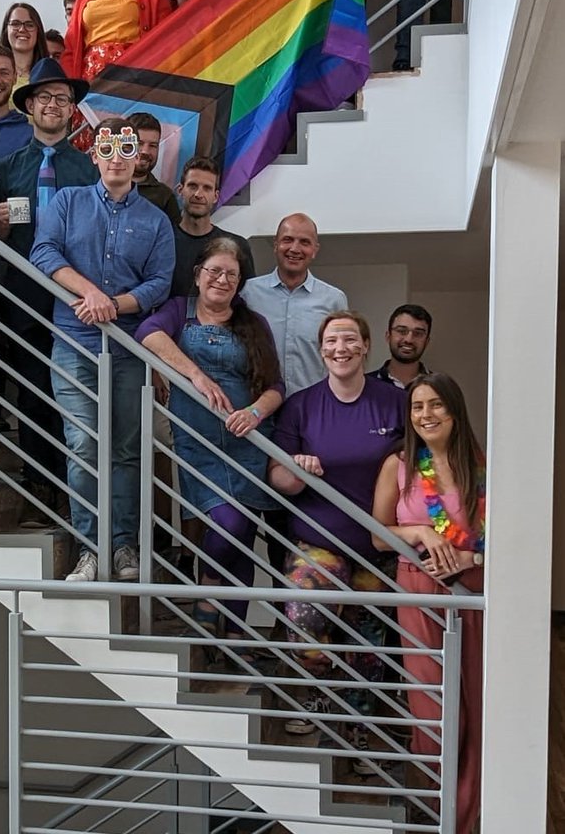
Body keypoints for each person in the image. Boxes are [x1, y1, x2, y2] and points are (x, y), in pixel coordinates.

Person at [30, 120, 174, 583]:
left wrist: (114, 306)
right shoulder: (68, 202)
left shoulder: (156, 221)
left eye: (125, 149)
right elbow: (45, 252)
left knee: (128, 449)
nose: (116, 157)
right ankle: (91, 550)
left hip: (130, 348)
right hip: (74, 342)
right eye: (107, 148)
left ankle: (124, 547)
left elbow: (159, 284)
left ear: (138, 159)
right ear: (94, 155)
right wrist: (91, 294)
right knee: (83, 445)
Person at [268, 311, 406, 764]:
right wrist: (296, 470)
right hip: (320, 541)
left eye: (349, 340)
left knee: (368, 640)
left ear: (366, 347)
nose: (340, 348)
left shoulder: (393, 402)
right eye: (331, 341)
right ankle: (317, 695)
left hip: (380, 546)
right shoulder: (301, 405)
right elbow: (277, 479)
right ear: (321, 349)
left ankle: (359, 727)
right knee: (305, 617)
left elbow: (420, 466)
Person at [137, 237, 283, 650]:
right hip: (198, 441)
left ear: (239, 284)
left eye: (231, 275)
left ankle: (232, 637)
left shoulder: (254, 324)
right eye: (214, 271)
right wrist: (196, 377)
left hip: (249, 440)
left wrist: (255, 412)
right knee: (228, 525)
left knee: (241, 534)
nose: (222, 279)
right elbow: (147, 334)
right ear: (198, 275)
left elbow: (276, 386)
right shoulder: (177, 312)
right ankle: (210, 590)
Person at [372, 373, 484, 831]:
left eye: (436, 405)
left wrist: (468, 555)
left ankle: (466, 815)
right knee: (433, 708)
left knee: (474, 705)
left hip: (470, 596)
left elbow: (501, 537)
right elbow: (378, 537)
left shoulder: (481, 466)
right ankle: (435, 806)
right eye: (418, 407)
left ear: (454, 411)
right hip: (417, 593)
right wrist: (417, 532)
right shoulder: (398, 466)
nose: (426, 415)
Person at [0, 57, 97, 527]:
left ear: (73, 109)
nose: (54, 106)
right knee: (32, 389)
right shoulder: (8, 167)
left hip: (73, 295)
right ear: (29, 106)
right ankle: (41, 487)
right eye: (45, 98)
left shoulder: (89, 169)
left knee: (73, 392)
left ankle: (78, 493)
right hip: (22, 294)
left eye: (63, 99)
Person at [241, 212, 346, 395]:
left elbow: (341, 359)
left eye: (304, 242)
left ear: (315, 249)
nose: (295, 249)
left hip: (311, 409)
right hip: (258, 408)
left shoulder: (333, 300)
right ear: (276, 245)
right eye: (287, 240)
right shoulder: (247, 293)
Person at [171, 156, 254, 297]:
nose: (198, 194)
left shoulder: (238, 246)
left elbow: (247, 298)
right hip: (169, 318)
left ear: (215, 196)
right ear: (180, 190)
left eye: (207, 188)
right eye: (192, 186)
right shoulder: (162, 241)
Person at [128, 112, 179, 224]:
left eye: (152, 145)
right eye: (139, 143)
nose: (145, 151)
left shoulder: (165, 197)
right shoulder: (100, 184)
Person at [368, 304, 432, 387]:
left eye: (418, 333)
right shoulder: (365, 385)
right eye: (402, 331)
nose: (409, 340)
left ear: (427, 341)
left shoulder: (440, 388)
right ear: (388, 336)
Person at [0, 1, 50, 97]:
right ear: (6, 29)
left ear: (38, 32)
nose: (22, 29)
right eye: (15, 24)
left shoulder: (50, 74)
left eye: (29, 25)